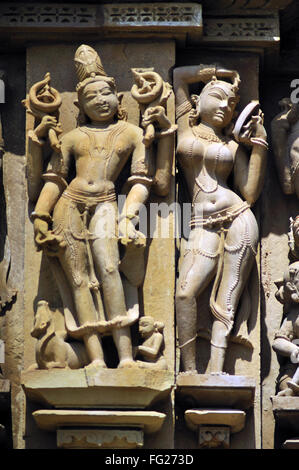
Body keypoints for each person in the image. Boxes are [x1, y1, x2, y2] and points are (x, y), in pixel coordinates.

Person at [29, 45, 172, 369]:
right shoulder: (71, 138)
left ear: (119, 99)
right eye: (91, 97)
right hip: (69, 207)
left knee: (109, 270)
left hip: (107, 204)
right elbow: (54, 180)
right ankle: (94, 359)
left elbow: (142, 182)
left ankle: (124, 357)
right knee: (78, 280)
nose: (100, 100)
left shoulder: (133, 133)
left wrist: (129, 215)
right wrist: (41, 218)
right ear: (79, 105)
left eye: (106, 93)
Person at [173, 65, 267, 373]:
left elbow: (249, 193)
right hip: (201, 224)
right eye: (218, 98)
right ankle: (188, 369)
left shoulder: (231, 145)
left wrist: (258, 148)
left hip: (238, 216)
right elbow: (179, 78)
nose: (225, 106)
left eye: (232, 104)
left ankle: (215, 370)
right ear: (197, 102)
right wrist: (214, 72)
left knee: (227, 299)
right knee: (185, 292)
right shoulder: (184, 128)